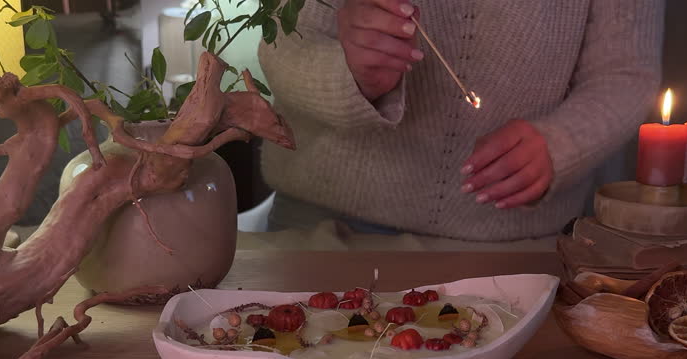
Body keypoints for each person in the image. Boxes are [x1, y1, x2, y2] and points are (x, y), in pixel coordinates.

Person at [257, 0, 665, 241]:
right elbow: (282, 45)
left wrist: (562, 144)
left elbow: (625, 74)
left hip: (512, 246)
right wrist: (350, 76)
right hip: (325, 232)